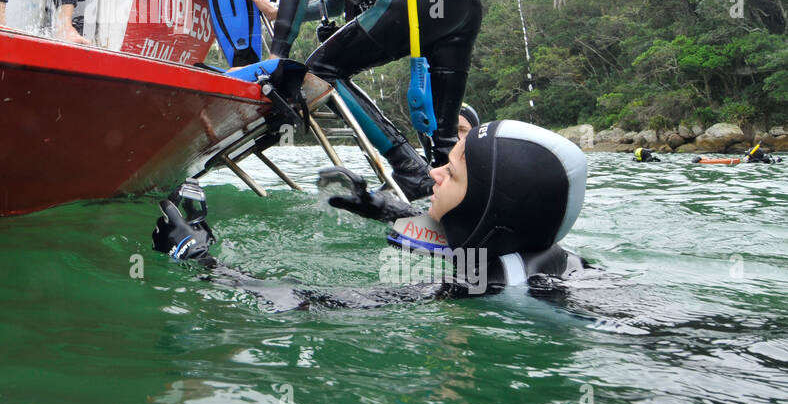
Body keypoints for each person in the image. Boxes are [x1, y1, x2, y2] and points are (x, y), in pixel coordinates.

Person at [154, 120, 590, 307]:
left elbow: (306, 303)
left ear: (489, 207)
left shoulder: (477, 286)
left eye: (452, 174)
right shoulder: (532, 247)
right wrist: (376, 206)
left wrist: (198, 260)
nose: (434, 174)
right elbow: (454, 235)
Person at [244, 0, 482, 199]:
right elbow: (332, 4)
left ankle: (407, 168)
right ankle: (453, 197)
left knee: (321, 69)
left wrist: (278, 52)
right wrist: (275, 12)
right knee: (445, 146)